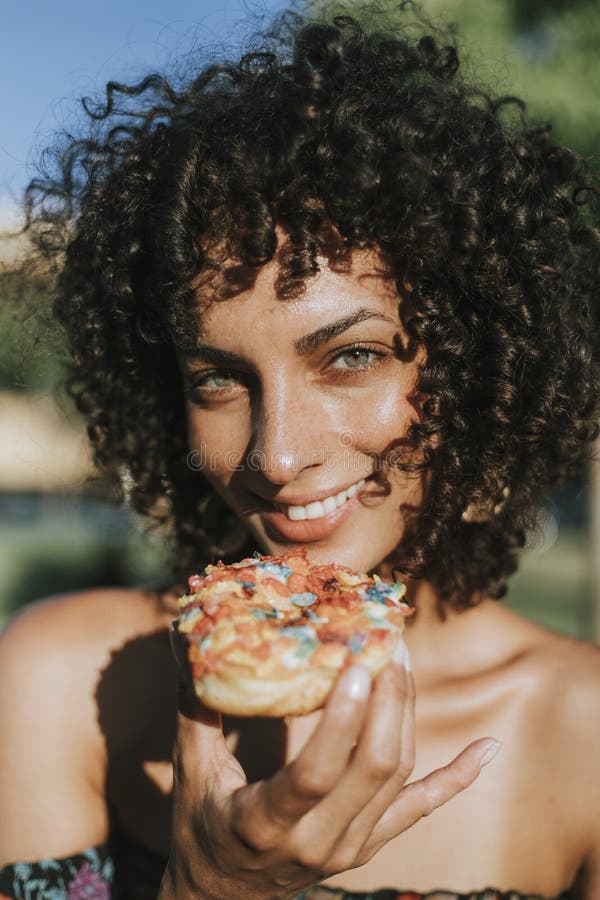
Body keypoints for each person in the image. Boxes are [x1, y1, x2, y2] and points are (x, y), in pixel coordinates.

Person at [1, 5, 599, 899]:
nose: (276, 456)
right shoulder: (60, 680)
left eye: (351, 357)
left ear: (479, 364)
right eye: (218, 379)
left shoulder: (584, 731)